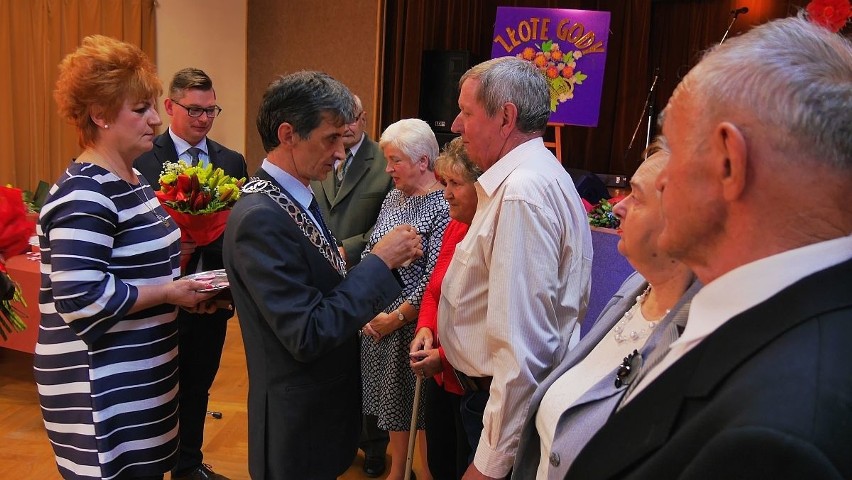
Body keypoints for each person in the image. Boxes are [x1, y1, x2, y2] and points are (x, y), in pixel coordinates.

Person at [567, 15, 852, 479]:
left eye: (673, 150)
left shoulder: (777, 436)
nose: (662, 179)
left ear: (727, 163)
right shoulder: (796, 320)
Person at [222, 71, 423, 480]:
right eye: (331, 138)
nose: (341, 150)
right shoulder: (261, 216)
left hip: (319, 409)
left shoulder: (293, 196)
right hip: (297, 420)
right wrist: (378, 263)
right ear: (288, 134)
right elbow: (308, 331)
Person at [33, 35, 217, 480]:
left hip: (140, 378)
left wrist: (185, 295)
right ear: (99, 114)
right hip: (99, 389)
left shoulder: (131, 179)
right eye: (141, 110)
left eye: (152, 107)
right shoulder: (85, 193)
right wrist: (169, 292)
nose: (155, 120)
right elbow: (81, 297)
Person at [437, 56, 593, 479]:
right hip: (488, 401)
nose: (455, 125)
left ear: (505, 117)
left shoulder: (522, 192)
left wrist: (488, 465)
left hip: (499, 412)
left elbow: (523, 350)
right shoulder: (526, 178)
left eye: (467, 113)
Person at [511, 139, 700, 479]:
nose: (617, 207)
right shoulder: (635, 287)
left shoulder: (696, 336)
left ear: (682, 220)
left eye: (636, 197)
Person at [134, 67, 247, 480]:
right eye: (194, 110)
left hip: (212, 298)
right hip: (159, 296)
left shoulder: (230, 160)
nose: (203, 119)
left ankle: (188, 465)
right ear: (170, 107)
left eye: (211, 110)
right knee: (156, 390)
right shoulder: (143, 158)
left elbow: (239, 231)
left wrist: (218, 290)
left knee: (198, 386)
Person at [360, 118, 449, 480]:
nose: (388, 169)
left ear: (423, 161)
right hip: (377, 322)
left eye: (395, 160)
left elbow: (434, 278)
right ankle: (397, 472)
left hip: (411, 328)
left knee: (416, 415)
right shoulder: (395, 196)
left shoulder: (443, 203)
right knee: (391, 410)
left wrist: (395, 317)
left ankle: (421, 473)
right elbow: (373, 248)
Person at [309, 93, 393, 477]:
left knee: (369, 365)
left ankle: (375, 445)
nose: (348, 126)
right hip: (324, 275)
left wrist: (352, 248)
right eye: (341, 120)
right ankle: (337, 437)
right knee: (335, 363)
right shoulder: (320, 156)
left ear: (364, 117)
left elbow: (390, 221)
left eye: (354, 118)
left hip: (368, 271)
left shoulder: (385, 160)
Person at [409, 136, 481, 480]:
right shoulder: (455, 225)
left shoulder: (486, 234)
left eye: (455, 184)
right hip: (441, 378)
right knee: (439, 465)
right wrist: (424, 327)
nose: (446, 193)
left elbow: (486, 317)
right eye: (444, 183)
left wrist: (445, 355)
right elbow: (435, 288)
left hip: (470, 382)